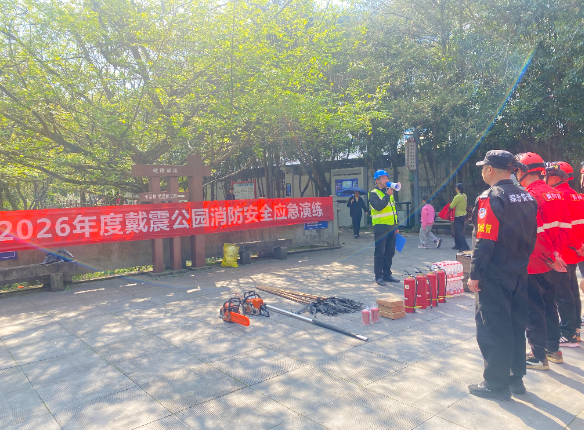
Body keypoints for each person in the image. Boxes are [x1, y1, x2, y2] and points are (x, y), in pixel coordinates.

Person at [467, 150, 537, 400]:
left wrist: (475, 274)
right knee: (516, 325)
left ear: (490, 169)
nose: (482, 171)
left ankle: (496, 384)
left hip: (494, 274)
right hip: (519, 271)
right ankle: (515, 379)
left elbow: (484, 240)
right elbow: (532, 235)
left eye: (483, 167)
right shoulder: (526, 196)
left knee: (493, 328)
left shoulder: (491, 197)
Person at [514, 153, 570, 370]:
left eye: (516, 170)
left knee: (534, 309)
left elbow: (535, 233)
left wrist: (549, 256)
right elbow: (565, 227)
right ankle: (553, 350)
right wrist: (557, 254)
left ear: (523, 171)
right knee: (550, 305)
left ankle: (538, 356)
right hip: (553, 262)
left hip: (536, 262)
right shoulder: (557, 194)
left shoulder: (529, 196)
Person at [545, 161, 584, 346]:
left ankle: (568, 332)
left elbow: (565, 227)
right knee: (572, 291)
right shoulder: (577, 196)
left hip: (565, 251)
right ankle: (575, 328)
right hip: (575, 251)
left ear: (555, 177)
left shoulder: (559, 196)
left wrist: (575, 245)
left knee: (562, 293)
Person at [369, 170, 400, 285]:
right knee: (380, 253)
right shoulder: (373, 193)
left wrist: (396, 225)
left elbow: (393, 210)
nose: (386, 180)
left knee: (390, 252)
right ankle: (378, 276)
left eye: (387, 177)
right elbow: (378, 207)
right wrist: (387, 195)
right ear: (377, 181)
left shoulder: (389, 193)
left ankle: (387, 275)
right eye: (383, 178)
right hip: (380, 227)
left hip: (391, 226)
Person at [450, 183, 470, 251]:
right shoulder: (464, 195)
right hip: (463, 215)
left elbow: (451, 206)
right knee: (457, 231)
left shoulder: (457, 197)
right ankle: (458, 245)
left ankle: (465, 246)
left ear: (456, 188)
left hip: (457, 215)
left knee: (459, 231)